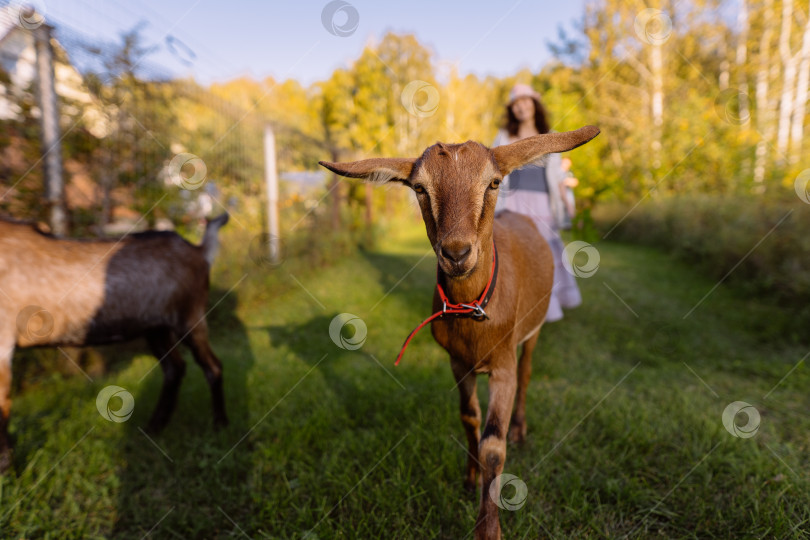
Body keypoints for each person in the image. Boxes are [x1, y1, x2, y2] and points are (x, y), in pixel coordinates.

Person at [492, 83, 581, 322]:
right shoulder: (504, 137)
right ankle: (516, 305)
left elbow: (558, 177)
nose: (522, 107)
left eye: (526, 101)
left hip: (542, 205)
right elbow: (491, 170)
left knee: (545, 254)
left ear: (534, 104)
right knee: (514, 254)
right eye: (516, 104)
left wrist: (568, 204)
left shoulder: (550, 137)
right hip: (511, 204)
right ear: (512, 109)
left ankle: (547, 307)